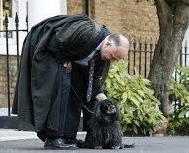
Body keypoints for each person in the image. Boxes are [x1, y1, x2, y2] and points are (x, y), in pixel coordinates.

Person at [12, 14, 129, 150]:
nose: (112, 61)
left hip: (63, 54)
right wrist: (66, 61)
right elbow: (54, 41)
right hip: (45, 46)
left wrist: (105, 100)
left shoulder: (103, 54)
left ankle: (68, 136)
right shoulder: (87, 32)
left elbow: (95, 81)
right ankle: (54, 138)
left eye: (116, 59)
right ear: (107, 44)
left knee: (79, 88)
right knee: (63, 84)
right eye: (113, 57)